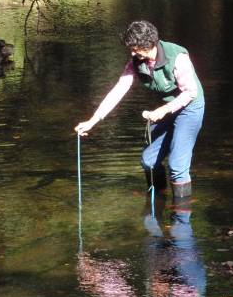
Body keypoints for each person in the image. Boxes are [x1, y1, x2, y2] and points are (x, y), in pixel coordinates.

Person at [74, 20, 205, 200]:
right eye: (131, 48)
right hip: (167, 109)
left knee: (177, 166)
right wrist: (93, 120)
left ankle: (181, 216)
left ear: (149, 44)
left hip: (190, 108)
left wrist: (164, 109)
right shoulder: (136, 62)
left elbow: (191, 92)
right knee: (148, 161)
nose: (132, 52)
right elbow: (119, 90)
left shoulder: (177, 57)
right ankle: (159, 200)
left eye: (135, 48)